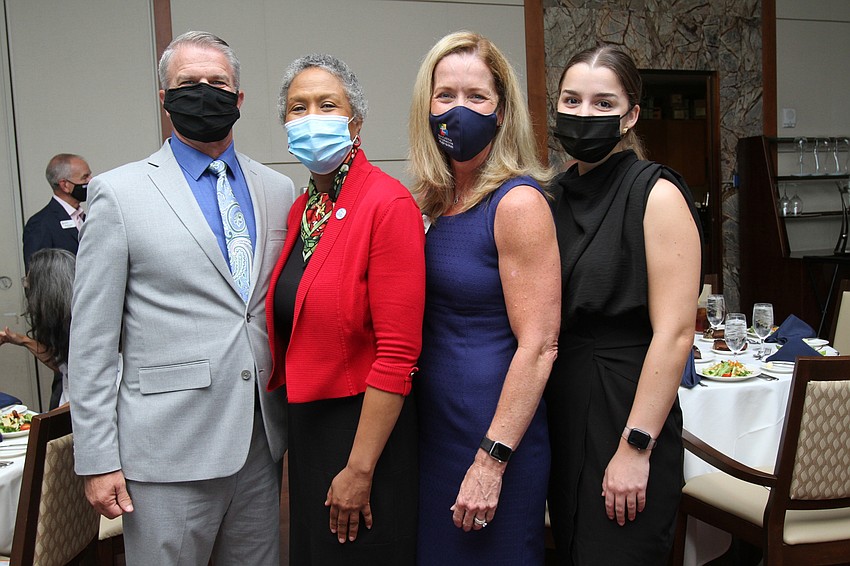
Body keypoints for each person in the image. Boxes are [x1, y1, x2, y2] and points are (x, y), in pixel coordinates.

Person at [68, 31, 295, 566]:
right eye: (187, 84)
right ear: (164, 98)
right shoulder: (118, 194)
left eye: (218, 83)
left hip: (260, 443)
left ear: (239, 99)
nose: (204, 92)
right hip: (166, 450)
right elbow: (92, 340)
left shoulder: (277, 190)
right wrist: (97, 458)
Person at [545, 44, 703, 565]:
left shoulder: (655, 193)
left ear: (631, 115)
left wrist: (636, 447)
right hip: (567, 401)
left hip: (628, 401)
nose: (583, 114)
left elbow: (676, 332)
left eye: (602, 103)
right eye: (571, 100)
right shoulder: (554, 194)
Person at [408, 31, 560, 564]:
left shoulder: (516, 202)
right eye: (445, 94)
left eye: (477, 97)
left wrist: (491, 461)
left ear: (501, 112)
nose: (458, 109)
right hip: (436, 434)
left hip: (492, 439)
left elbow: (540, 344)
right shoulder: (435, 201)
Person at [266, 53, 425, 565]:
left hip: (366, 434)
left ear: (354, 122)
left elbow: (399, 353)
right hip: (310, 429)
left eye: (326, 104)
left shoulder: (388, 204)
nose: (311, 117)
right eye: (298, 107)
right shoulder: (301, 209)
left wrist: (359, 468)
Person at [22, 153, 91, 408]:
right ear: (64, 184)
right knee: (66, 388)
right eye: (85, 177)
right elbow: (39, 283)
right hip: (65, 327)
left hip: (93, 317)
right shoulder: (41, 224)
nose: (90, 181)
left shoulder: (89, 218)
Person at [0, 248, 75, 404]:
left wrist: (43, 423)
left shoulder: (85, 329)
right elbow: (63, 367)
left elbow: (88, 397)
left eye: (30, 287)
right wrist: (23, 341)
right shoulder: (64, 324)